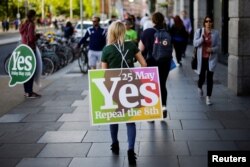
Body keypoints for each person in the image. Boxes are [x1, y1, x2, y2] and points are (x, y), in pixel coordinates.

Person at [101, 21, 147, 165]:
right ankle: (131, 151)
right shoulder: (132, 45)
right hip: (130, 86)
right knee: (130, 120)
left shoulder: (107, 50)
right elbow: (144, 64)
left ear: (111, 32)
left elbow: (104, 73)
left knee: (113, 118)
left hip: (114, 88)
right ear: (123, 32)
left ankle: (115, 144)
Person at [139, 12, 172, 119]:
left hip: (151, 62)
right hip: (165, 62)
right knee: (162, 84)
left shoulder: (146, 32)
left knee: (151, 87)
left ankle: (152, 112)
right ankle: (163, 107)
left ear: (152, 21)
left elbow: (140, 50)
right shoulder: (166, 32)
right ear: (163, 20)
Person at [193, 16, 219, 105]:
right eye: (206, 21)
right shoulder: (199, 31)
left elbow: (218, 47)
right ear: (204, 23)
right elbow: (195, 43)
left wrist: (212, 49)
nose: (208, 23)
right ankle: (199, 87)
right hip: (201, 59)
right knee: (202, 77)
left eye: (210, 21)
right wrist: (202, 39)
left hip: (211, 59)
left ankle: (208, 97)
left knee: (210, 78)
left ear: (212, 23)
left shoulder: (216, 33)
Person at [19, 9, 41, 98]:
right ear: (33, 16)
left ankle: (26, 91)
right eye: (35, 16)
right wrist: (37, 36)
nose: (36, 18)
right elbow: (31, 39)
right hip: (31, 49)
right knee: (31, 70)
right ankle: (30, 92)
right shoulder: (31, 25)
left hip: (24, 48)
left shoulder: (23, 24)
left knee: (26, 70)